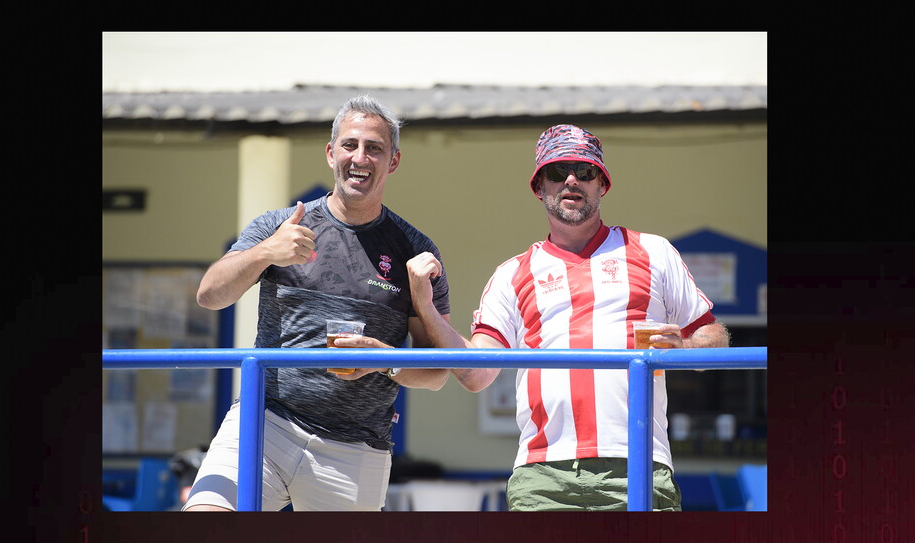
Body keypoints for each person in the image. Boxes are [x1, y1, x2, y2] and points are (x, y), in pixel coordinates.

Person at [404, 124, 730, 511]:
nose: (572, 180)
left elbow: (715, 336)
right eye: (558, 172)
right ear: (540, 187)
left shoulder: (654, 252)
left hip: (638, 463)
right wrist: (425, 307)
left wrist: (685, 347)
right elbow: (476, 374)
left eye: (586, 171)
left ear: (602, 185)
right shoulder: (512, 273)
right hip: (543, 475)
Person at [183, 95, 452, 512]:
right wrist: (264, 253)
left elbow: (436, 374)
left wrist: (386, 360)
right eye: (349, 145)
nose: (359, 157)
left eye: (374, 148)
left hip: (355, 445)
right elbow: (210, 295)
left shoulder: (415, 252)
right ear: (330, 153)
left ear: (393, 161)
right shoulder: (279, 226)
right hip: (264, 422)